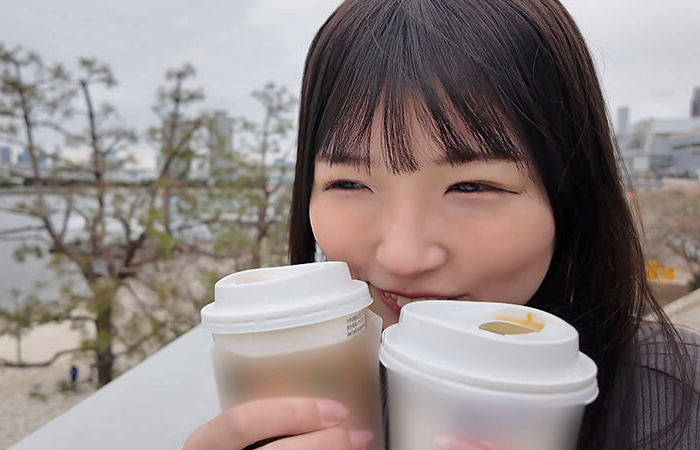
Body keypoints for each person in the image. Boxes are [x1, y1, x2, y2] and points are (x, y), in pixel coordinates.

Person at [184, 0, 700, 448]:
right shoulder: (295, 384)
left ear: (572, 192)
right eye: (350, 183)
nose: (403, 258)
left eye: (471, 186)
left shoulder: (681, 403)